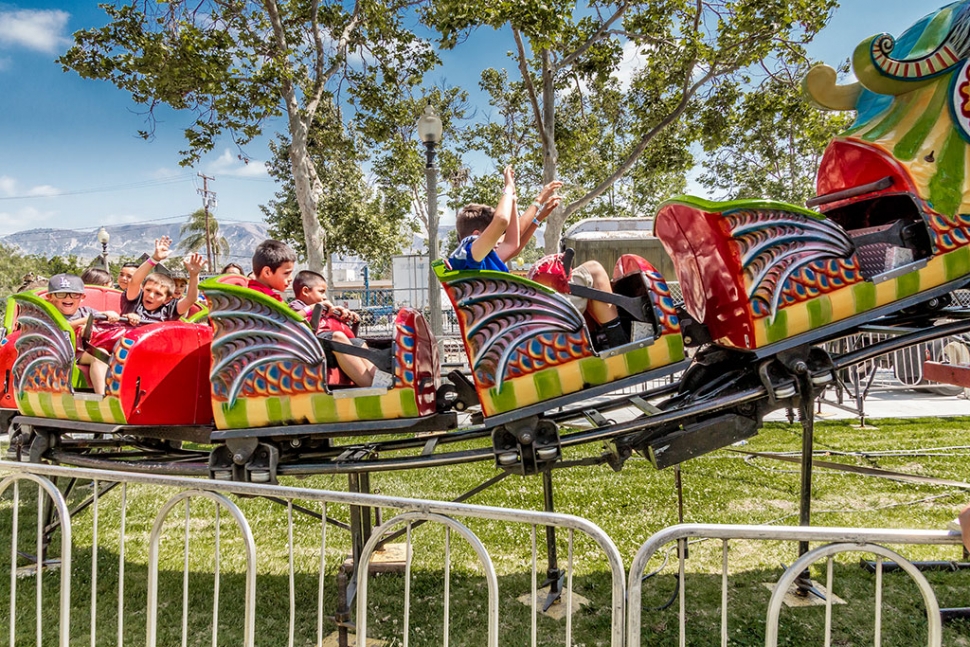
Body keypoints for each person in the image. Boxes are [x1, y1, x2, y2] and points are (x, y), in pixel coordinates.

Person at [450, 167, 627, 348]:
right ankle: (619, 343)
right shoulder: (470, 250)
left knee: (576, 280)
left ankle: (603, 341)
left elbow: (513, 242)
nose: (499, 240)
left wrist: (520, 202)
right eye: (495, 235)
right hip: (525, 328)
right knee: (594, 270)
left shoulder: (475, 262)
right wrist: (508, 188)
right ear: (478, 234)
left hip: (516, 326)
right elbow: (502, 221)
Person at [288, 270, 384, 388]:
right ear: (305, 291)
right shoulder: (297, 305)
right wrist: (313, 308)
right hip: (311, 346)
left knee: (357, 343)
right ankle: (371, 386)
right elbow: (291, 320)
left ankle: (379, 378)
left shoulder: (323, 310)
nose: (324, 296)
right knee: (338, 337)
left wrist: (339, 316)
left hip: (323, 342)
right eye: (321, 292)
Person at [44, 273, 121, 395]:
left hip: (84, 351)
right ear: (50, 297)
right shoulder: (49, 314)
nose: (68, 298)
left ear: (82, 297)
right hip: (62, 353)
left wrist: (113, 317)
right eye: (61, 294)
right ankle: (102, 396)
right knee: (99, 355)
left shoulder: (87, 311)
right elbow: (60, 328)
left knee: (103, 354)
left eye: (74, 294)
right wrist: (90, 319)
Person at [122, 236, 206, 323]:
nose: (150, 296)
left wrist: (194, 275)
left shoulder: (169, 310)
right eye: (148, 290)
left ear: (167, 299)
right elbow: (134, 282)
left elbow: (191, 299)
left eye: (158, 293)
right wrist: (154, 259)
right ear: (143, 288)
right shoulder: (135, 301)